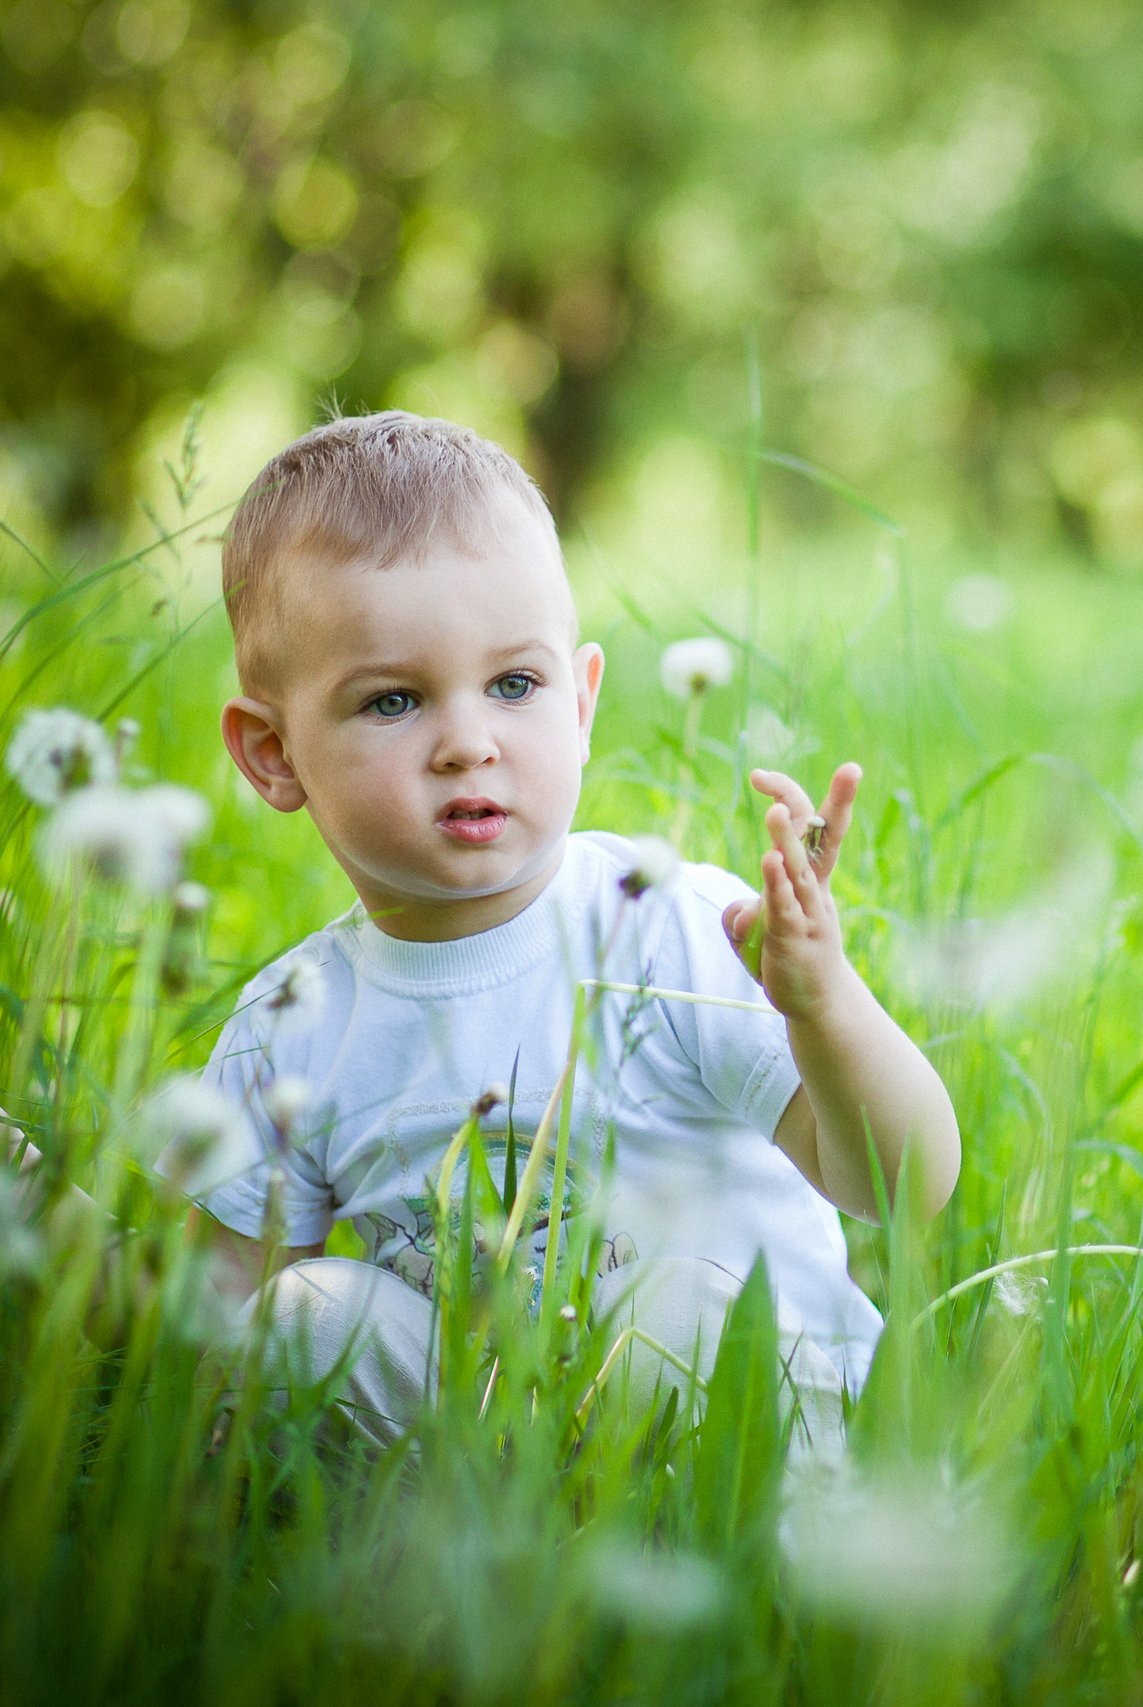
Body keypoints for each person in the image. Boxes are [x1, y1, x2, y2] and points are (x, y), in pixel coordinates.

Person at [144, 409, 955, 1446]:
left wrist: (823, 1007)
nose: (467, 744)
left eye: (513, 685)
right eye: (394, 702)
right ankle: (400, 1585)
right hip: (470, 1452)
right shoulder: (290, 1031)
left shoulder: (672, 927)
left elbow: (906, 1185)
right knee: (298, 1328)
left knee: (678, 1311)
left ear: (580, 703)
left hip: (720, 1450)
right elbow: (214, 1316)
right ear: (272, 755)